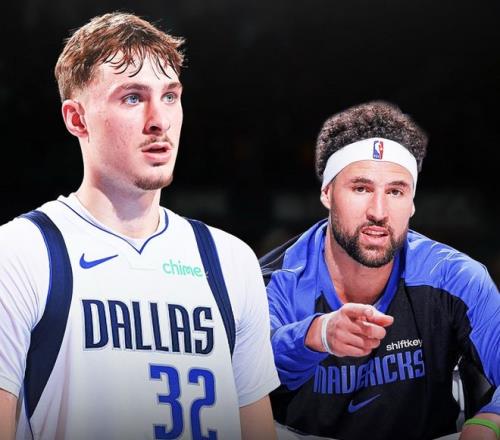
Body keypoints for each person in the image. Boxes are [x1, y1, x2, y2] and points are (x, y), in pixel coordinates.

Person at [0, 12, 279, 440]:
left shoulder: (230, 262)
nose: (159, 120)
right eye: (133, 97)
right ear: (77, 119)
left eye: (170, 96)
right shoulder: (22, 253)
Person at [260, 101, 500, 440]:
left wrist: (490, 421)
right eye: (361, 188)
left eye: (396, 191)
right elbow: (246, 383)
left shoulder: (456, 278)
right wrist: (316, 335)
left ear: (412, 202)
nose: (379, 211)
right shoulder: (274, 282)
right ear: (327, 192)